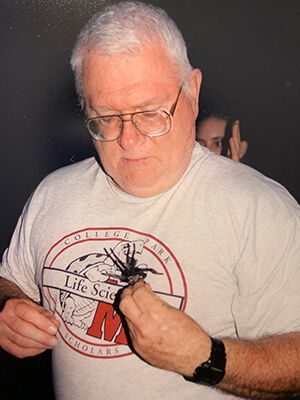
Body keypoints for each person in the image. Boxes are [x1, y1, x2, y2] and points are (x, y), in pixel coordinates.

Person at [0, 2, 299, 399]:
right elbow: (11, 279)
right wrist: (9, 310)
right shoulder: (52, 193)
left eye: (151, 112)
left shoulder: (261, 209)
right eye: (105, 117)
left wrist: (205, 358)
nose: (128, 139)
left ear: (191, 90)